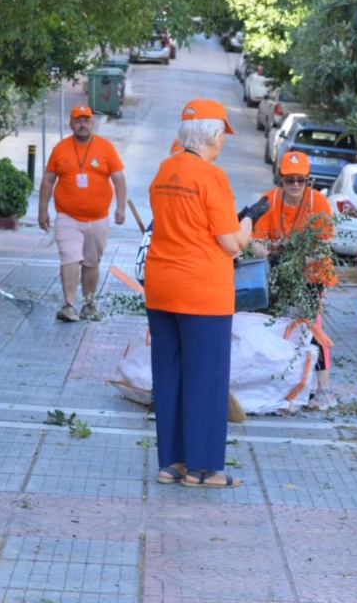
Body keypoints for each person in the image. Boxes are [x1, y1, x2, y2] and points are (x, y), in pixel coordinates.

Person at [144, 99, 267, 489]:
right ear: (214, 135)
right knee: (207, 378)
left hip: (162, 287)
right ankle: (204, 469)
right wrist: (249, 219)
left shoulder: (165, 170)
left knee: (169, 375)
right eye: (222, 136)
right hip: (203, 293)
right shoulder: (212, 176)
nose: (222, 143)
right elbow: (231, 243)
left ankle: (171, 464)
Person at [249, 150, 338, 408]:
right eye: (290, 180)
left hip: (313, 274)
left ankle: (323, 390)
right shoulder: (269, 200)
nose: (295, 185)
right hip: (277, 275)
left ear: (308, 179)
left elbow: (321, 247)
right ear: (281, 179)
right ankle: (280, 385)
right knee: (275, 327)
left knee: (312, 327)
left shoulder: (318, 203)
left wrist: (292, 262)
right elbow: (256, 241)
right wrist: (271, 258)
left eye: (300, 179)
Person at [37, 104, 127, 322]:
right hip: (67, 216)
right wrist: (43, 211)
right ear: (71, 124)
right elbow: (48, 181)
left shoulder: (105, 148)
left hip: (98, 218)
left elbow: (119, 180)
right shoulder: (60, 149)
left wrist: (121, 207)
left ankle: (88, 304)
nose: (82, 124)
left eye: (86, 120)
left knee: (91, 262)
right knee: (69, 257)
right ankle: (69, 304)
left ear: (92, 123)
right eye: (78, 120)